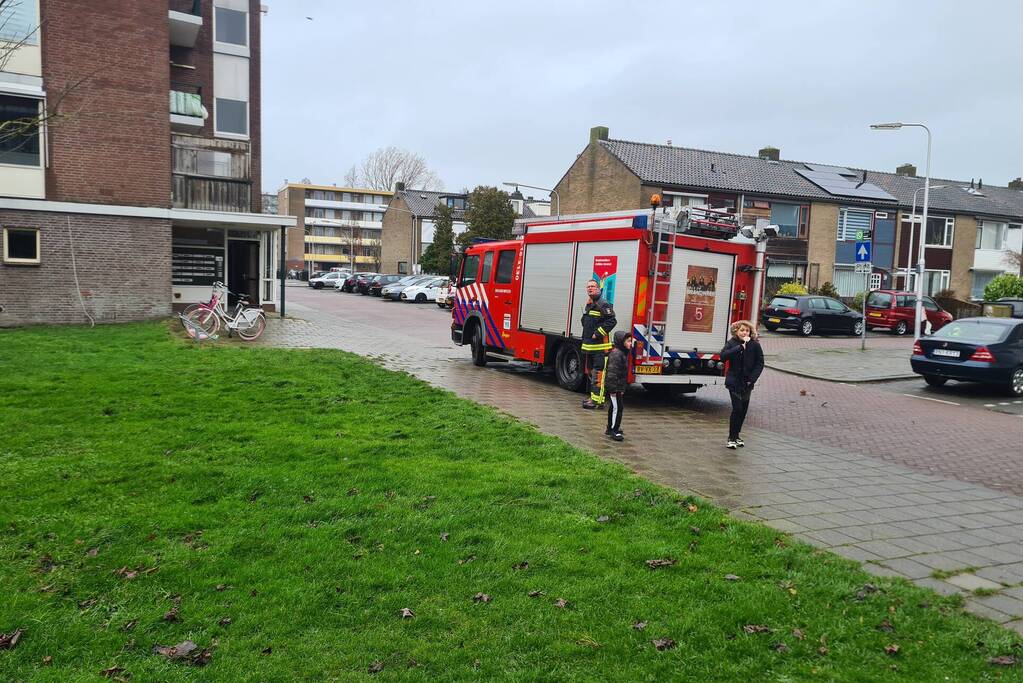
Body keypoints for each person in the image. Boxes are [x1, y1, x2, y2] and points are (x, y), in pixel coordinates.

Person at [719, 319, 764, 449]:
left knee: (743, 411)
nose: (745, 332)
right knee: (737, 409)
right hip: (734, 381)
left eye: (747, 330)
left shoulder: (755, 345)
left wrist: (752, 378)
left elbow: (760, 363)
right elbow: (723, 356)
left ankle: (737, 436)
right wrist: (739, 347)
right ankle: (731, 438)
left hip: (747, 382)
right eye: (742, 330)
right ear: (736, 331)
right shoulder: (731, 343)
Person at [580, 278, 616, 409]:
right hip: (590, 346)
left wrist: (598, 333)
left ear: (598, 288)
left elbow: (612, 321)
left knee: (599, 374)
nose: (590, 288)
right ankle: (593, 397)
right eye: (588, 286)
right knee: (591, 373)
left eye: (593, 286)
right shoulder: (590, 303)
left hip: (601, 348)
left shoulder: (603, 304)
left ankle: (598, 402)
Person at [604, 331, 632, 441]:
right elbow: (612, 373)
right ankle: (613, 430)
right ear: (621, 342)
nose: (630, 343)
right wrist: (613, 389)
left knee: (614, 407)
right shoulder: (617, 354)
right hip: (614, 387)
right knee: (618, 408)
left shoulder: (622, 353)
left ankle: (610, 427)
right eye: (628, 341)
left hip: (618, 387)